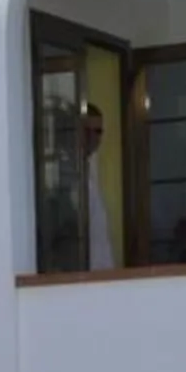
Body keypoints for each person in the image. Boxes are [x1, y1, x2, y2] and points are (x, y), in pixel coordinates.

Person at [80, 103, 116, 270]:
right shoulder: (69, 173)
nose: (93, 137)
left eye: (98, 131)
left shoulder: (91, 168)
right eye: (87, 131)